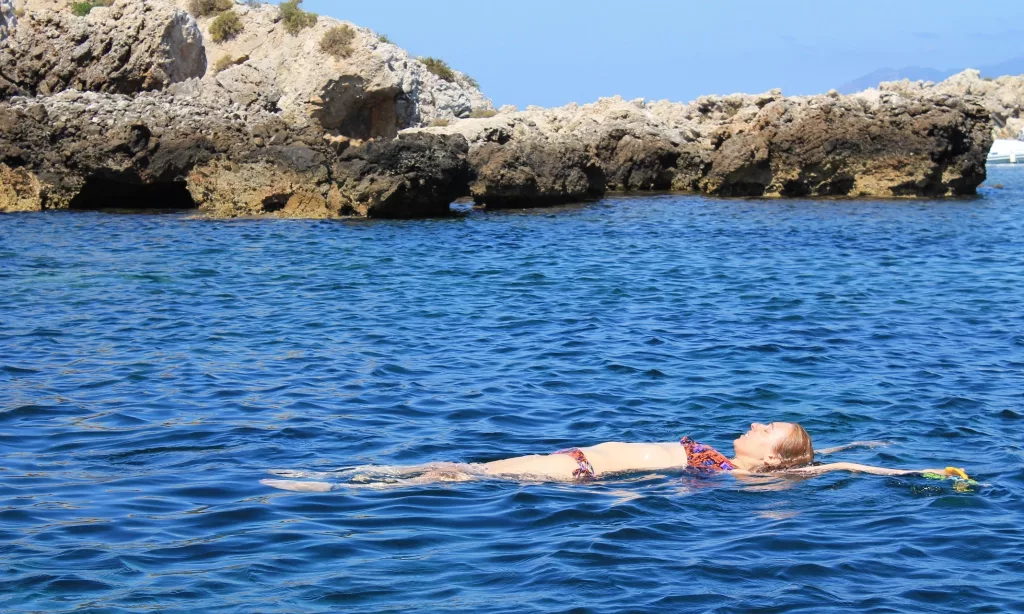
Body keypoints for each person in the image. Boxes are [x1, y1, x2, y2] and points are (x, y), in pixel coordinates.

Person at [262, 422, 966, 492]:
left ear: (773, 457)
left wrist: (916, 472)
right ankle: (340, 480)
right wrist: (868, 442)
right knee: (455, 469)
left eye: (766, 428)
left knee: (452, 472)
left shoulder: (736, 474)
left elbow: (832, 469)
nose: (753, 423)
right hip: (576, 458)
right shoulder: (742, 460)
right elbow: (831, 455)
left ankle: (333, 488)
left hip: (582, 472)